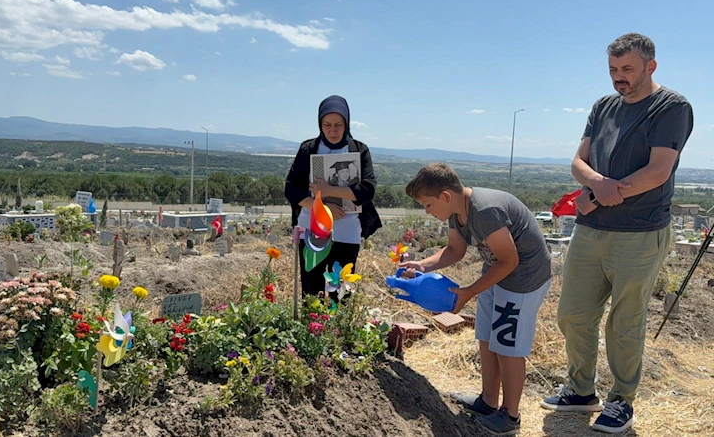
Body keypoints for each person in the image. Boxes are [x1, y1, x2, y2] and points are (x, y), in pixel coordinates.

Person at [540, 33, 693, 434]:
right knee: (573, 314)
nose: (618, 77)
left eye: (627, 69)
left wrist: (605, 192)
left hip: (639, 233)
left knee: (625, 323)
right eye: (612, 69)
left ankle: (622, 401)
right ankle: (580, 391)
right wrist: (593, 187)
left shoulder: (672, 107)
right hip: (591, 230)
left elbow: (659, 170)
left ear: (650, 66)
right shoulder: (603, 106)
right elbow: (578, 161)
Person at [400, 163, 551, 436]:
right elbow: (455, 250)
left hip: (522, 277)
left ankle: (510, 416)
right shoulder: (457, 211)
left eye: (428, 205)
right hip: (497, 272)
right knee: (486, 337)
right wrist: (423, 265)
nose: (427, 212)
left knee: (507, 345)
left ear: (446, 196)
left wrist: (471, 291)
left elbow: (510, 259)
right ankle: (488, 403)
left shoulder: (485, 210)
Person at [284, 95, 381, 300]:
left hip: (347, 230)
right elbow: (292, 189)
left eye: (338, 124)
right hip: (313, 229)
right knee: (312, 290)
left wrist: (328, 190)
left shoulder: (359, 150)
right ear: (319, 124)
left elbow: (367, 189)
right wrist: (325, 209)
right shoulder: (308, 149)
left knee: (342, 290)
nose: (333, 130)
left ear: (347, 123)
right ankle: (314, 329)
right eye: (327, 124)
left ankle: (340, 331)